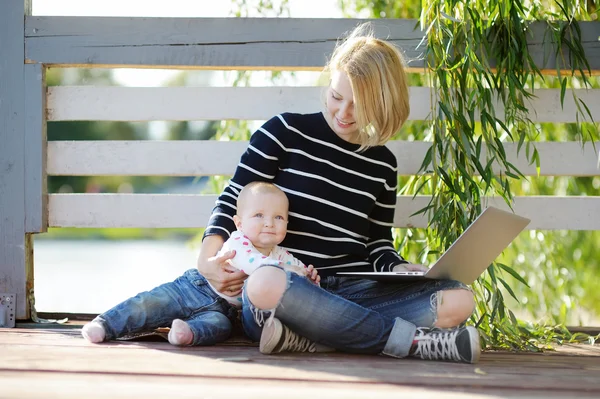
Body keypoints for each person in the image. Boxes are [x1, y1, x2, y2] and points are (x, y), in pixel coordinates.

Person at [197, 22, 481, 363]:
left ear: (383, 103)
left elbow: (377, 243)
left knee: (460, 299)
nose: (343, 114)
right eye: (336, 96)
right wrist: (207, 259)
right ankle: (409, 343)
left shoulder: (383, 164)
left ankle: (318, 338)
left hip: (355, 294)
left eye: (358, 104)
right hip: (289, 287)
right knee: (263, 285)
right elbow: (233, 199)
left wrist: (399, 269)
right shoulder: (284, 132)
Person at [81, 182, 319, 346]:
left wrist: (307, 277)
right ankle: (105, 324)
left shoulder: (282, 256)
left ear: (286, 223)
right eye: (259, 216)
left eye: (278, 217)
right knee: (150, 303)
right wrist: (291, 271)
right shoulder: (240, 242)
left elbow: (295, 273)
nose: (269, 223)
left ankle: (186, 333)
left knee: (218, 328)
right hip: (194, 288)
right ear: (238, 223)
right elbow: (256, 264)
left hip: (225, 311)